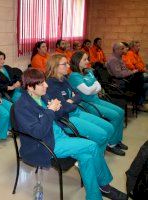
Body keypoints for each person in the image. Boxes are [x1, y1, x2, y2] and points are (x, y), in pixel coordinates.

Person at [14, 68, 127, 200]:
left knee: (86, 157)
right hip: (44, 144)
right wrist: (50, 111)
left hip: (57, 133)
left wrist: (56, 108)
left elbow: (56, 115)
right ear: (30, 87)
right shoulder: (21, 106)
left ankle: (94, 196)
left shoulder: (42, 96)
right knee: (92, 146)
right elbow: (38, 132)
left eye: (45, 81)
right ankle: (105, 186)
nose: (46, 85)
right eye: (41, 83)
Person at [45, 54, 118, 154]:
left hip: (76, 111)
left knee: (109, 128)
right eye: (65, 64)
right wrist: (72, 101)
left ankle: (95, 157)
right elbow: (64, 108)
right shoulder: (51, 84)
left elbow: (78, 95)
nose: (68, 66)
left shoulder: (64, 79)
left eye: (68, 63)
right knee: (102, 135)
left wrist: (70, 101)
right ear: (55, 66)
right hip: (67, 119)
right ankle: (90, 159)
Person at [68, 51, 128, 156]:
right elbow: (87, 91)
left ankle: (117, 140)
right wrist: (94, 87)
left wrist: (94, 88)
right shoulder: (74, 76)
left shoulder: (88, 72)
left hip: (96, 100)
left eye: (88, 59)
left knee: (121, 112)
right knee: (115, 116)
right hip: (87, 104)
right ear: (77, 61)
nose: (88, 61)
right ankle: (111, 143)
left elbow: (98, 86)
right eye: (85, 59)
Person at [106, 42, 146, 107]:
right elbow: (118, 74)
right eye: (122, 48)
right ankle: (138, 103)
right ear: (116, 50)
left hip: (124, 80)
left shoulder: (119, 58)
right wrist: (131, 72)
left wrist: (132, 71)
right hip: (119, 83)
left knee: (142, 81)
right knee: (140, 77)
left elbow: (124, 70)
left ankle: (138, 103)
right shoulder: (113, 60)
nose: (125, 49)